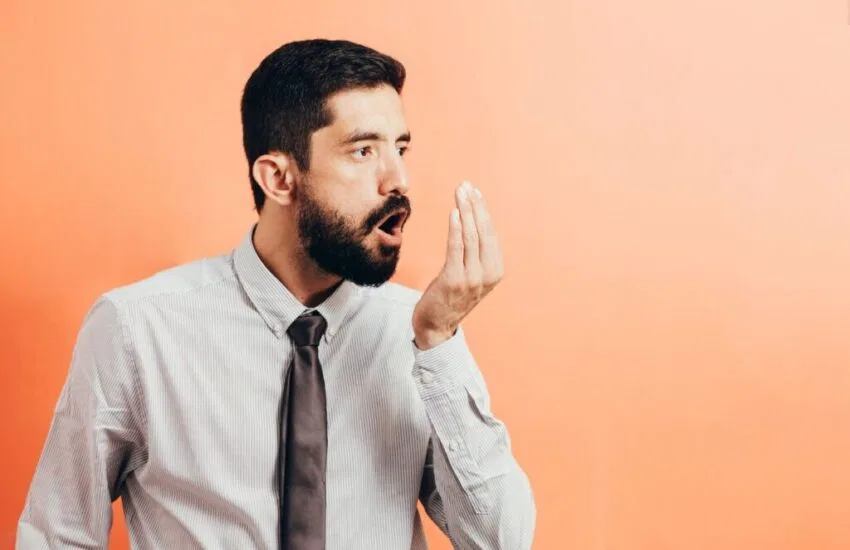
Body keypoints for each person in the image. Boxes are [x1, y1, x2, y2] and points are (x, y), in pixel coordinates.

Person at [16, 38, 536, 550]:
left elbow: (501, 541)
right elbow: (57, 534)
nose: (397, 180)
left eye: (400, 149)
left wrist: (440, 342)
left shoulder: (419, 336)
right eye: (363, 150)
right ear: (279, 179)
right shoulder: (135, 329)